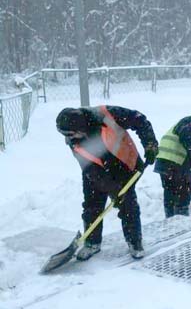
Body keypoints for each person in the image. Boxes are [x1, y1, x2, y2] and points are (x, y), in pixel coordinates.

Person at [55, 106, 159, 260]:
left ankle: (134, 242)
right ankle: (92, 243)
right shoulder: (75, 142)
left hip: (124, 165)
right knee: (92, 205)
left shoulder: (107, 114)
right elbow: (92, 172)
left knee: (128, 205)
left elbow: (139, 120)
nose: (68, 138)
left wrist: (150, 144)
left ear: (80, 125)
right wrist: (113, 190)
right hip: (96, 170)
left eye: (70, 134)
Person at [154, 109, 191, 218]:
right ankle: (182, 219)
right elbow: (185, 136)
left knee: (170, 191)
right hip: (174, 161)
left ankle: (170, 218)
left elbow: (190, 152)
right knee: (185, 189)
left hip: (163, 160)